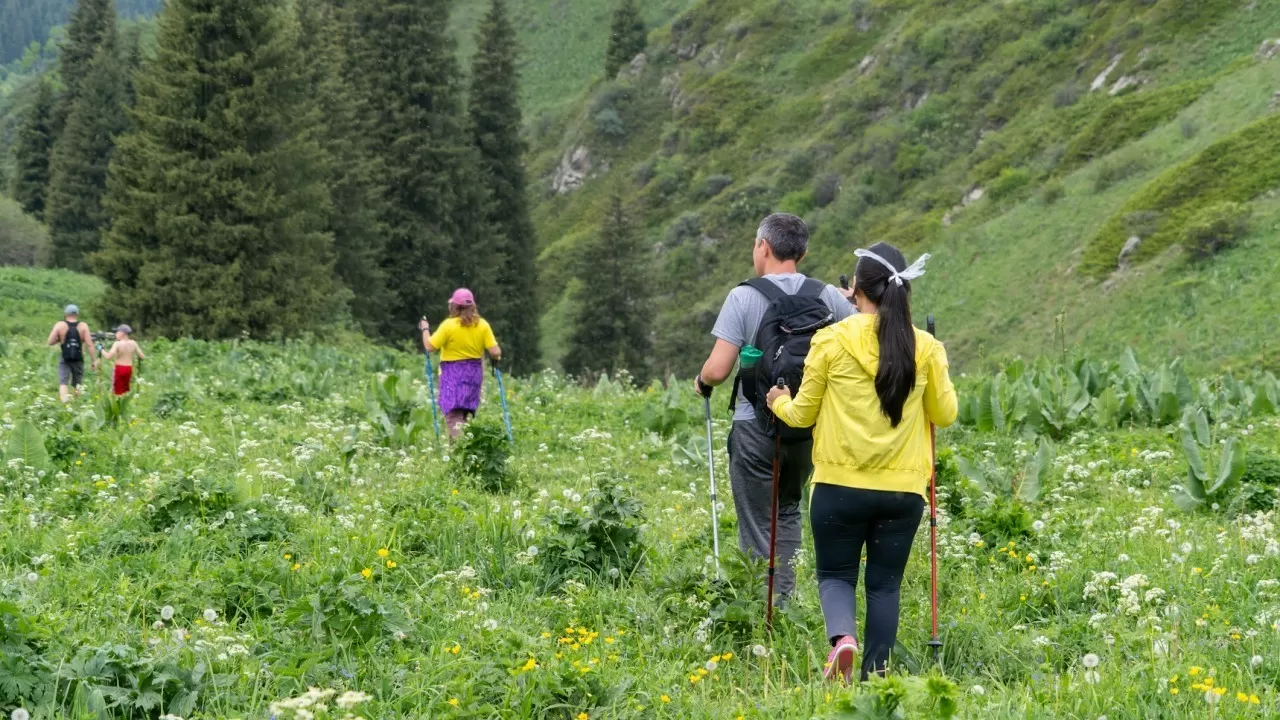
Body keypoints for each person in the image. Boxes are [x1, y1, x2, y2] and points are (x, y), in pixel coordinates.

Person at [765, 242, 957, 683]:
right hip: (903, 490)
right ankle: (875, 680)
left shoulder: (830, 340)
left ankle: (842, 641)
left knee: (835, 575)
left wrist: (779, 401)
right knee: (885, 585)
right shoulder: (925, 347)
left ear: (857, 290)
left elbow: (802, 416)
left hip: (838, 485)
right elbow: (945, 415)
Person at [694, 213, 854, 603]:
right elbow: (867, 335)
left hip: (754, 427)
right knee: (788, 511)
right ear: (802, 251)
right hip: (804, 426)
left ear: (763, 247)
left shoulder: (744, 296)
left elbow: (717, 370)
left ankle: (757, 607)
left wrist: (701, 382)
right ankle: (783, 601)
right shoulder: (827, 296)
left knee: (756, 521)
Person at [418, 289, 502, 439]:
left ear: (454, 307)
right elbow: (495, 352)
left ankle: (461, 449)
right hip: (474, 374)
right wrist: (496, 359)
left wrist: (425, 328)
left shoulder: (448, 325)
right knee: (464, 413)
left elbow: (429, 347)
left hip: (452, 374)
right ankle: (462, 450)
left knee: (453, 414)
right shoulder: (482, 325)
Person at [46, 304, 98, 403]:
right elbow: (90, 344)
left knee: (63, 382)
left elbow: (50, 341)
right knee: (77, 383)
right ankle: (77, 404)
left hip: (65, 358)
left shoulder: (60, 325)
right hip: (78, 358)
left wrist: (59, 339)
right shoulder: (83, 326)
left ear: (66, 314)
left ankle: (65, 404)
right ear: (77, 314)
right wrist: (93, 360)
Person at [102, 325, 145, 396]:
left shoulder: (117, 344)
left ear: (122, 333)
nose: (116, 334)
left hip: (119, 369)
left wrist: (101, 350)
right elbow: (142, 356)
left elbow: (108, 357)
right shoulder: (133, 343)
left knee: (116, 392)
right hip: (129, 369)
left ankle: (117, 405)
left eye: (117, 332)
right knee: (125, 391)